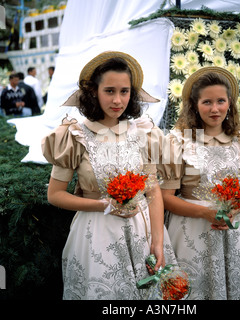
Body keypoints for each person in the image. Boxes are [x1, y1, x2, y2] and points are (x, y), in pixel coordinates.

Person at [41, 51, 177, 300]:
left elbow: (153, 190)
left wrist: (158, 241)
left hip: (142, 232)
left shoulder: (144, 132)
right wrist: (102, 205)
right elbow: (55, 195)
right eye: (110, 91)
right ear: (93, 91)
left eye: (124, 91)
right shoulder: (73, 135)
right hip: (96, 236)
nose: (118, 100)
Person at [158, 66, 240, 300]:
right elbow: (165, 198)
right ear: (195, 105)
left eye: (221, 101)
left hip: (232, 233)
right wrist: (205, 213)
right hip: (190, 232)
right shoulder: (178, 141)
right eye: (207, 102)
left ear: (230, 103)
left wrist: (236, 209)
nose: (215, 108)